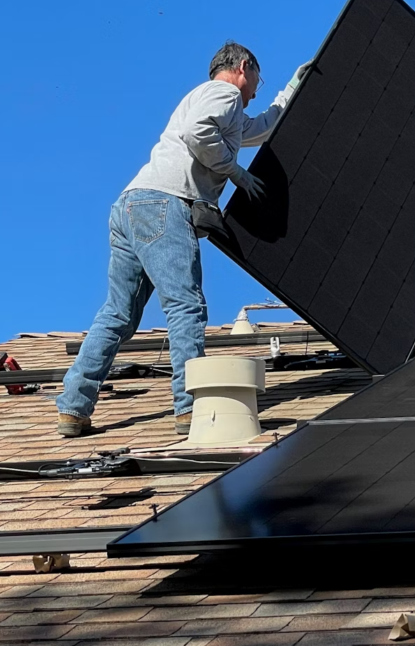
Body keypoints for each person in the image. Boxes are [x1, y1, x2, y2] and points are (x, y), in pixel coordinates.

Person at [55, 42, 311, 437]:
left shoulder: (213, 103)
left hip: (130, 206)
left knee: (117, 315)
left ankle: (73, 407)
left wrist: (293, 87)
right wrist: (235, 173)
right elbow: (198, 133)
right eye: (259, 78)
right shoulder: (223, 93)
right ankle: (190, 409)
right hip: (164, 204)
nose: (258, 88)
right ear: (244, 67)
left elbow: (259, 129)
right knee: (185, 305)